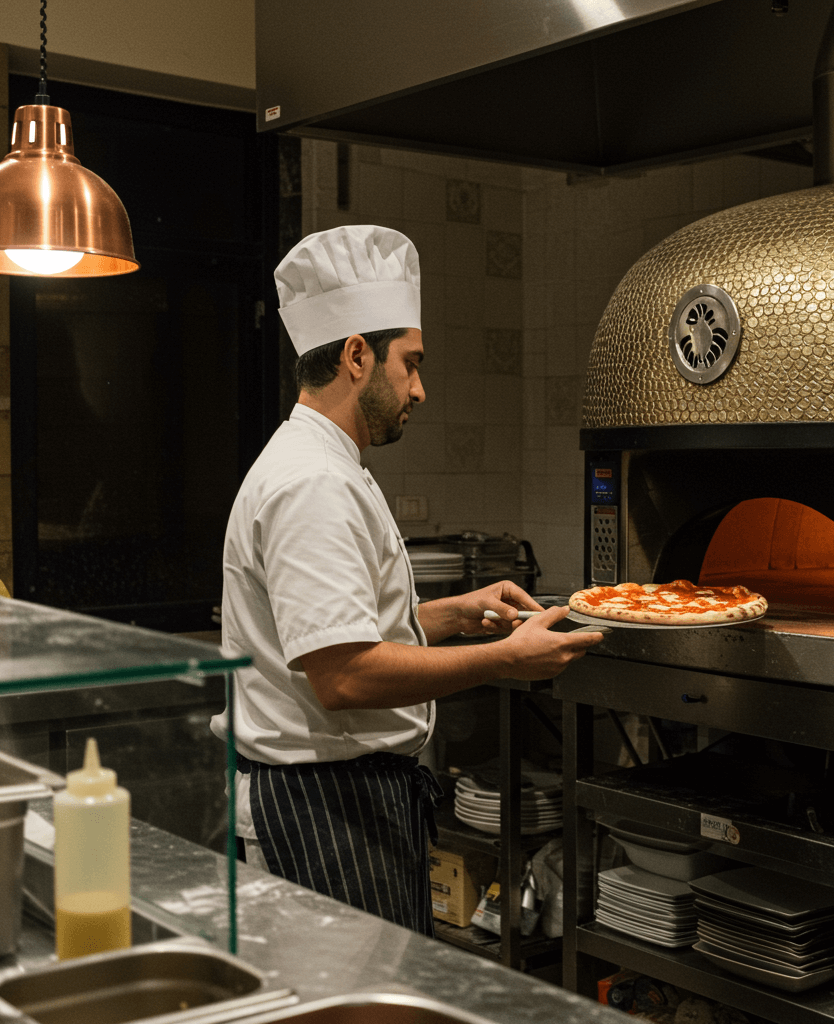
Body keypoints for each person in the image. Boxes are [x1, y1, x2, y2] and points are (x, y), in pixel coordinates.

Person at [210, 224, 603, 937]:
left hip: (340, 796)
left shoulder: (324, 466)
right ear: (357, 355)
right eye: (411, 364)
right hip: (322, 805)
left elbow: (341, 634)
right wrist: (508, 660)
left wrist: (453, 613)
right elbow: (345, 676)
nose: (419, 389)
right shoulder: (312, 484)